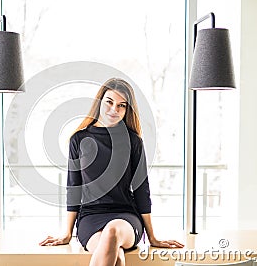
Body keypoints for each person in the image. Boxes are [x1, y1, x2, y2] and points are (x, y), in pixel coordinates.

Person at [40, 78, 184, 266]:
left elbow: (142, 189)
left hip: (126, 217)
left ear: (127, 110)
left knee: (112, 232)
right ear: (100, 101)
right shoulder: (79, 139)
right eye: (109, 102)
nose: (114, 110)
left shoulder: (133, 141)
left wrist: (152, 237)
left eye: (121, 105)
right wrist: (67, 233)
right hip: (90, 217)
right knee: (116, 257)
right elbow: (73, 187)